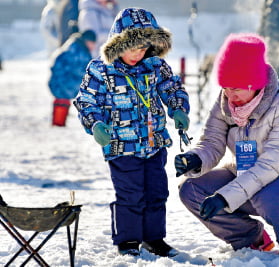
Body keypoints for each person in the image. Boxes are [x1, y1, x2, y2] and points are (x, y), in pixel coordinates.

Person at [175, 33, 279, 256]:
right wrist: (196, 159)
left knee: (269, 195)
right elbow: (212, 141)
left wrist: (225, 197)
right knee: (191, 188)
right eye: (226, 88)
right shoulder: (227, 101)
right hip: (250, 173)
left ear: (256, 84)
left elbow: (272, 164)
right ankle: (251, 239)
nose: (230, 96)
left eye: (237, 88)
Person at [73, 8, 190, 257]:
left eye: (143, 48)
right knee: (130, 195)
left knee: (157, 192)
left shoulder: (155, 66)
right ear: (118, 43)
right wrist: (95, 124)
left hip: (154, 142)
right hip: (121, 146)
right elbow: (86, 101)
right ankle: (127, 241)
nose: (138, 54)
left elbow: (172, 88)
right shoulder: (100, 70)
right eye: (132, 47)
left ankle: (154, 238)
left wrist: (178, 109)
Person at [49, 30, 96, 126]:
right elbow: (80, 68)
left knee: (62, 99)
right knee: (63, 98)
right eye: (92, 43)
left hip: (61, 80)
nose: (93, 46)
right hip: (63, 81)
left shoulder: (76, 46)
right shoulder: (78, 50)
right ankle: (58, 123)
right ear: (86, 41)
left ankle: (59, 122)